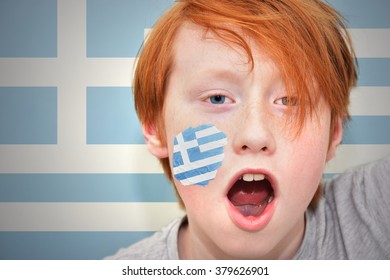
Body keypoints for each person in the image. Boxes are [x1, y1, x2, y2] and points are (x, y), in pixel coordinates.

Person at [106, 0, 390, 259]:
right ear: (156, 129)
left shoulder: (375, 212)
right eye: (217, 98)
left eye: (289, 100)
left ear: (333, 133)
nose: (255, 136)